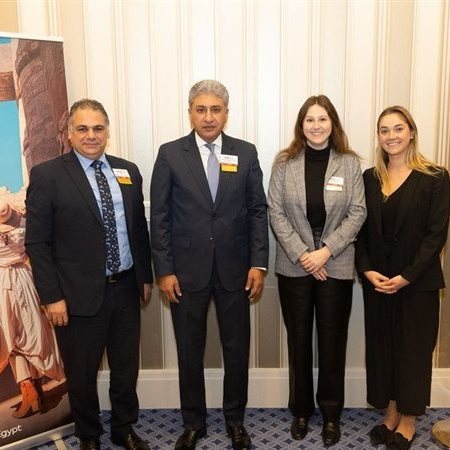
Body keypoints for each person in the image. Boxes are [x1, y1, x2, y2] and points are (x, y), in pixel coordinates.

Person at [25, 99, 153, 450]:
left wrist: (144, 275)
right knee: (82, 373)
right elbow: (37, 242)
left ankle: (124, 428)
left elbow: (138, 229)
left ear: (107, 132)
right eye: (82, 128)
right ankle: (89, 435)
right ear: (69, 134)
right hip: (75, 295)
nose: (91, 135)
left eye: (98, 128)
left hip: (125, 288)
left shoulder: (128, 171)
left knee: (126, 368)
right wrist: (52, 296)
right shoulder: (48, 175)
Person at [150, 80, 268, 450]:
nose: (208, 117)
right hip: (185, 272)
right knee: (189, 351)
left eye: (216, 109)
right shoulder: (170, 154)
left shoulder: (245, 152)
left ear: (226, 113)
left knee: (237, 350)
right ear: (190, 112)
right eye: (201, 109)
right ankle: (193, 423)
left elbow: (257, 211)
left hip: (236, 270)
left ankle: (235, 421)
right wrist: (164, 270)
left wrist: (258, 264)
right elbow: (160, 216)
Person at [268, 95, 366, 446]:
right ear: (301, 125)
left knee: (332, 342)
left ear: (332, 123)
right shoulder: (284, 163)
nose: (316, 125)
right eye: (309, 119)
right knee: (298, 342)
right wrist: (304, 254)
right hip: (294, 266)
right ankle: (300, 410)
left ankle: (331, 414)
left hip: (335, 264)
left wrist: (324, 252)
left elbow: (358, 212)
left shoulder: (349, 163)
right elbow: (275, 212)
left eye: (322, 119)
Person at [356, 106, 450, 450]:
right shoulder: (369, 178)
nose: (391, 136)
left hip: (417, 284)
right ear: (378, 136)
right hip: (378, 283)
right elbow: (360, 231)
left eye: (398, 128)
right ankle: (391, 412)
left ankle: (408, 420)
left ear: (411, 132)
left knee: (412, 352)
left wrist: (407, 277)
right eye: (384, 130)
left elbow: (436, 235)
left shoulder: (435, 177)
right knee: (384, 351)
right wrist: (367, 270)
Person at [0, 191, 64, 418]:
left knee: (11, 338)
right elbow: (32, 250)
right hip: (25, 278)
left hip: (3, 284)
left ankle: (29, 390)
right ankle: (34, 388)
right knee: (29, 333)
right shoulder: (22, 221)